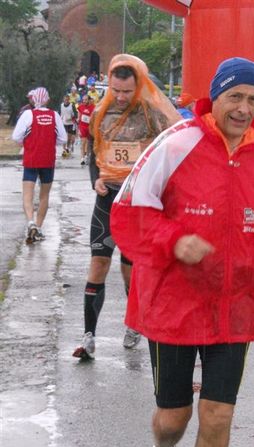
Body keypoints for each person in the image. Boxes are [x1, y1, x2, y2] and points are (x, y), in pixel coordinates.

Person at [109, 56, 254, 447]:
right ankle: (162, 445)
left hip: (234, 301)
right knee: (173, 420)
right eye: (235, 96)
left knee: (219, 415)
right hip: (174, 303)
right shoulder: (177, 143)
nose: (244, 108)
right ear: (215, 95)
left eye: (253, 99)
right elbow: (131, 210)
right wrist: (174, 240)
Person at [72, 54, 181, 361]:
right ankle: (89, 335)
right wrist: (95, 180)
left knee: (131, 271)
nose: (120, 97)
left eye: (126, 92)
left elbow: (171, 151)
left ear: (138, 87)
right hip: (107, 200)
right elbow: (95, 151)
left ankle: (133, 325)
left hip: (137, 203)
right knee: (98, 263)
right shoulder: (100, 112)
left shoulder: (152, 114)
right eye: (115, 90)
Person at [12, 87, 67, 243]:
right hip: (48, 160)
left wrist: (27, 142)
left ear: (32, 100)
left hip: (31, 159)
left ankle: (30, 222)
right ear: (47, 100)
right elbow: (62, 139)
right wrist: (49, 141)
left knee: (27, 195)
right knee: (44, 195)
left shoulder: (27, 115)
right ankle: (39, 226)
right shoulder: (54, 115)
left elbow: (16, 136)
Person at [77, 95, 95, 166]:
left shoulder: (93, 107)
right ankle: (82, 158)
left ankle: (87, 156)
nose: (84, 101)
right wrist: (78, 119)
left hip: (89, 127)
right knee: (83, 142)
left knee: (88, 143)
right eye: (83, 100)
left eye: (86, 100)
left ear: (89, 100)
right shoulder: (80, 107)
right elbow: (79, 116)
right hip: (82, 127)